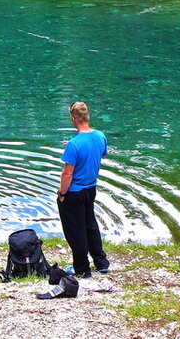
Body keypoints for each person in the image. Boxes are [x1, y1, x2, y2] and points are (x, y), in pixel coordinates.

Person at [57, 101, 109, 277]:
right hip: (90, 189)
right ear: (87, 116)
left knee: (75, 230)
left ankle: (81, 269)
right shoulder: (100, 136)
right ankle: (101, 262)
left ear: (73, 119)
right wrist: (75, 147)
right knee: (90, 224)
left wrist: (62, 194)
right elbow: (101, 153)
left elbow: (67, 175)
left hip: (74, 193)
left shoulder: (74, 144)